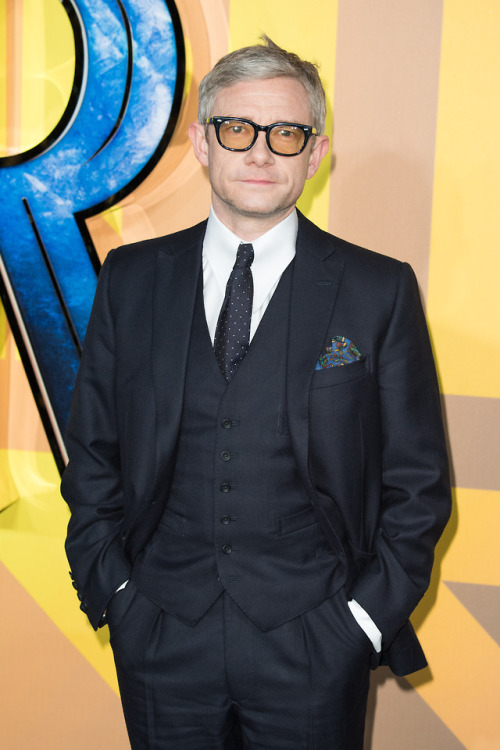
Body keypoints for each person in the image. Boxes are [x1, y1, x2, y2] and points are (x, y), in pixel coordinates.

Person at [61, 36, 451, 750]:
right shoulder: (132, 278)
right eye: (237, 129)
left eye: (286, 133)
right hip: (159, 636)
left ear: (317, 150)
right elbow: (91, 451)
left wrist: (360, 622)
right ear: (204, 144)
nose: (261, 153)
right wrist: (116, 594)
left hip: (314, 641)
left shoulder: (376, 290)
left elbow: (419, 483)